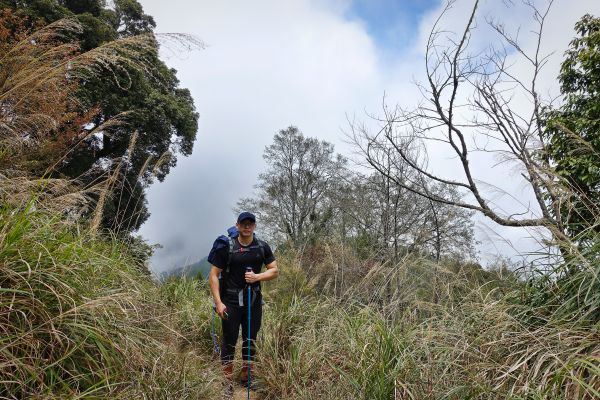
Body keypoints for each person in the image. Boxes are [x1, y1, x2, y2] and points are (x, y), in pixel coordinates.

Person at [208, 211, 279, 398]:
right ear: (237, 225)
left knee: (250, 339)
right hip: (230, 302)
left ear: (254, 226)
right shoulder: (227, 247)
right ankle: (227, 381)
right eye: (243, 223)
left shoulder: (262, 247)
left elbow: (274, 270)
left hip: (253, 301)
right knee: (229, 341)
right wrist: (218, 303)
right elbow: (214, 275)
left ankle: (247, 375)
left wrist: (258, 277)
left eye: (250, 223)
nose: (247, 226)